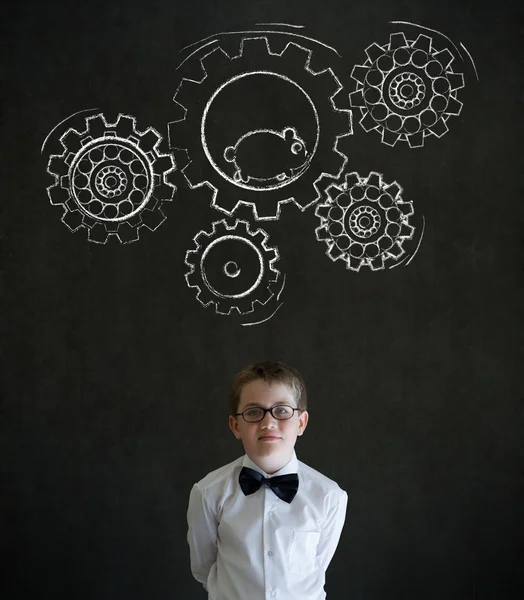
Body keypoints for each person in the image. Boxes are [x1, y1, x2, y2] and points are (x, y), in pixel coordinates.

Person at [186, 360, 348, 600]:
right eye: (253, 412)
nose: (268, 422)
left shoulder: (329, 496)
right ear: (235, 425)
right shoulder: (208, 492)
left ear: (301, 422)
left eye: (281, 410)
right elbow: (204, 568)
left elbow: (318, 565)